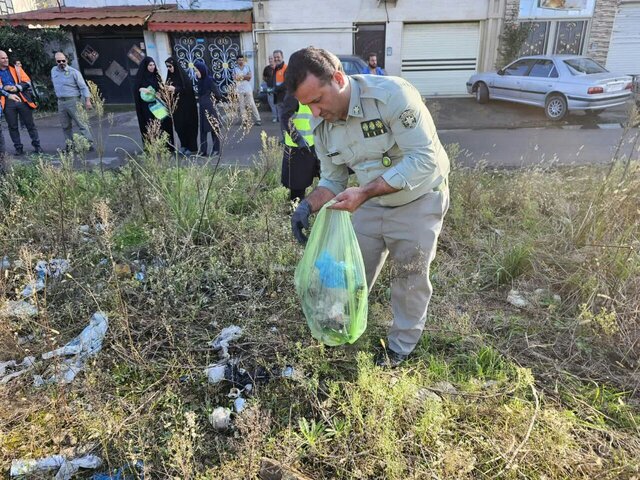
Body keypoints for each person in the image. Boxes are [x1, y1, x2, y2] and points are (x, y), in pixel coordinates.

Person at [287, 47, 450, 367]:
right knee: (352, 272)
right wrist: (307, 206)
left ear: (337, 79)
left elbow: (424, 159)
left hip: (418, 198)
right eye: (307, 105)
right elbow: (333, 181)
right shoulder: (320, 123)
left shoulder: (392, 96)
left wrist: (364, 192)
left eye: (317, 100)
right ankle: (343, 325)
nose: (314, 113)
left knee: (409, 276)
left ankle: (400, 346)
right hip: (370, 200)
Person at [0, 50, 42, 155]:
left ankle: (37, 146)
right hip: (7, 101)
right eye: (3, 58)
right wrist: (5, 88)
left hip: (21, 98)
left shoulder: (16, 68)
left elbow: (27, 81)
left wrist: (17, 88)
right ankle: (18, 149)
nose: (6, 60)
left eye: (6, 57)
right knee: (12, 126)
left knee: (30, 124)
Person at [51, 52, 95, 152]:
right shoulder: (53, 71)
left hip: (73, 100)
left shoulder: (74, 72)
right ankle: (69, 145)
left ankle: (88, 144)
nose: (61, 63)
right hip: (61, 102)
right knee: (65, 125)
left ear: (66, 60)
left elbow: (83, 87)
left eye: (63, 60)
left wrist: (87, 101)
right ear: (55, 61)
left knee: (81, 123)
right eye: (59, 61)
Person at [280, 91, 319, 201]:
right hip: (297, 149)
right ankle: (295, 213)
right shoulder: (294, 94)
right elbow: (285, 118)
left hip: (315, 145)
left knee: (328, 181)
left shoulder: (315, 90)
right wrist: (298, 138)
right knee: (298, 188)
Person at [133, 56, 174, 149]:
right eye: (150, 65)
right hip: (146, 107)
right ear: (145, 66)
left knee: (161, 123)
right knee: (149, 124)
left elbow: (161, 87)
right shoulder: (141, 77)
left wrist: (161, 93)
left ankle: (164, 145)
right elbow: (136, 89)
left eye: (153, 65)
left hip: (157, 105)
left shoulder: (156, 76)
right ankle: (151, 146)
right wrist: (141, 89)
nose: (152, 67)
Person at [165, 56, 198, 155]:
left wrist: (175, 89)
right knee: (179, 127)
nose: (169, 69)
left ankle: (192, 147)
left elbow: (187, 90)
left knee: (188, 126)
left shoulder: (184, 77)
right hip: (176, 108)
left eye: (170, 66)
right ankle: (183, 145)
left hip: (187, 108)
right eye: (167, 67)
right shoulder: (170, 77)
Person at [194, 59, 221, 157]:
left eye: (197, 71)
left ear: (202, 70)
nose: (196, 73)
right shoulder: (199, 81)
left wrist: (211, 100)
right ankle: (203, 151)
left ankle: (216, 150)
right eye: (195, 71)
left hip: (210, 108)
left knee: (214, 129)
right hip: (202, 108)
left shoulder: (209, 80)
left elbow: (218, 94)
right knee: (203, 130)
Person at [233, 54, 261, 126]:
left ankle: (258, 119)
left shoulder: (247, 67)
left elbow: (249, 77)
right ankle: (244, 120)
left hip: (247, 88)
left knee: (252, 103)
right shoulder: (235, 69)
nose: (241, 61)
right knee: (241, 105)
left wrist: (240, 77)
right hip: (239, 88)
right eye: (239, 60)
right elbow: (235, 78)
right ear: (237, 61)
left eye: (242, 60)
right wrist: (244, 76)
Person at [272, 50, 288, 125]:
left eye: (278, 57)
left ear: (282, 57)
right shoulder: (276, 68)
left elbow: (287, 83)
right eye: (275, 57)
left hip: (285, 99)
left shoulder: (286, 68)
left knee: (286, 123)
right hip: (278, 99)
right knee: (282, 123)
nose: (276, 59)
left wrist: (276, 89)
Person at [262, 55, 278, 123]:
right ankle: (275, 117)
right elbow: (264, 77)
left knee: (278, 103)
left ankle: (279, 117)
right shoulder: (267, 68)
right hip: (269, 88)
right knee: (271, 103)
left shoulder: (278, 68)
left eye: (271, 58)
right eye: (269, 59)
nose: (270, 60)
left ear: (274, 59)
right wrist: (268, 82)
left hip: (278, 88)